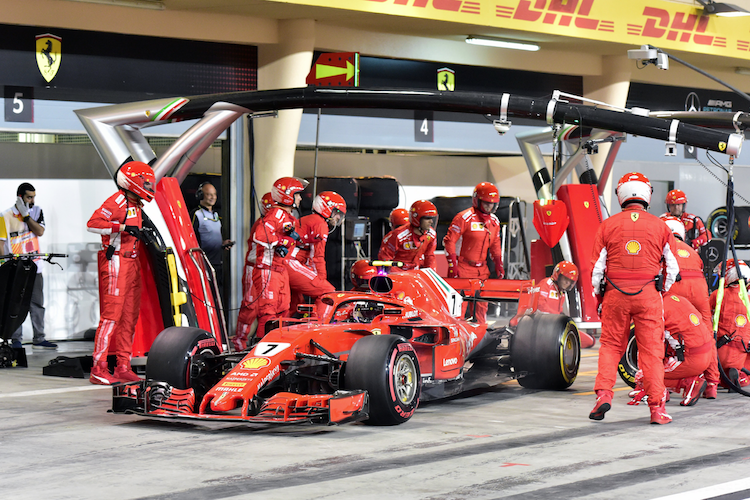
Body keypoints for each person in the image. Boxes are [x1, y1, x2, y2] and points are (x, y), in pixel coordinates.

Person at [590, 172, 680, 425]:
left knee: (610, 346)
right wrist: (659, 292)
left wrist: (600, 296)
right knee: (651, 352)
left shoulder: (607, 226)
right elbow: (672, 269)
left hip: (615, 294)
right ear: (646, 194)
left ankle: (603, 394)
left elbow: (596, 270)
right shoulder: (661, 226)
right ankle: (656, 409)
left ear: (621, 194)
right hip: (648, 294)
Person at [86, 161, 155, 385]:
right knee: (111, 317)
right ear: (132, 181)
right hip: (116, 262)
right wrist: (122, 228)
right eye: (146, 183)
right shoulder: (118, 201)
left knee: (129, 317)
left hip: (132, 263)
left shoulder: (136, 204)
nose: (149, 186)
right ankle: (99, 367)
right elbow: (93, 223)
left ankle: (123, 366)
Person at [629, 294, 717, 406]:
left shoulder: (656, 308)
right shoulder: (679, 298)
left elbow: (652, 345)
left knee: (642, 375)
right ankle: (701, 383)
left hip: (690, 359)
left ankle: (688, 383)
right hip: (707, 355)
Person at [0, 182, 57, 349]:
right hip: (15, 268)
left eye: (33, 197)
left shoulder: (37, 211)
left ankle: (39, 337)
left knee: (37, 303)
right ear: (20, 197)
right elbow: (2, 243)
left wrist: (26, 217)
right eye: (28, 197)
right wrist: (4, 264)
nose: (32, 200)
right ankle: (15, 339)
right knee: (15, 303)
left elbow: (39, 231)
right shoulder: (5, 216)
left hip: (35, 266)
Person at [251, 176, 307, 338]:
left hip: (280, 269)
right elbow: (260, 236)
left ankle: (279, 346)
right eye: (297, 194)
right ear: (288, 195)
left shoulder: (288, 216)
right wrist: (281, 242)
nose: (300, 198)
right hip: (267, 270)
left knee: (284, 310)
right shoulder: (276, 214)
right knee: (268, 312)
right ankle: (259, 349)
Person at [442, 182, 505, 322]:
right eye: (486, 203)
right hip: (463, 268)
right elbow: (449, 241)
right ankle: (456, 335)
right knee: (459, 306)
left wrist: (499, 263)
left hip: (482, 270)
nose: (490, 206)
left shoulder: (494, 222)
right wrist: (452, 265)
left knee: (481, 306)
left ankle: (480, 334)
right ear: (477, 200)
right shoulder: (464, 218)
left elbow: (495, 244)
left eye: (493, 204)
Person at [286, 191, 346, 312]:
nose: (338, 217)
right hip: (290, 261)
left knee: (294, 304)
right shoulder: (320, 224)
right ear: (326, 208)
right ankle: (319, 327)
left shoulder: (312, 219)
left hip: (287, 260)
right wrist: (321, 280)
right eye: (336, 212)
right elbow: (317, 257)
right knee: (327, 292)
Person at [233, 192, 274, 351]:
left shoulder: (275, 223)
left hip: (269, 270)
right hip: (255, 268)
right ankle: (240, 341)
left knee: (271, 308)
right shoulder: (263, 225)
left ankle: (261, 342)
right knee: (250, 306)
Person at [710, 259, 750, 388]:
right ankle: (739, 374)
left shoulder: (718, 295)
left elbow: (705, 317)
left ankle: (726, 377)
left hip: (720, 348)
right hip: (742, 350)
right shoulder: (748, 299)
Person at [191, 181, 234, 289]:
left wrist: (223, 243)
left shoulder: (216, 215)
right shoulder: (196, 214)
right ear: (200, 195)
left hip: (218, 262)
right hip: (203, 263)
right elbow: (190, 238)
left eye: (214, 194)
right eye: (209, 194)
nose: (213, 197)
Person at [378, 200, 438, 270]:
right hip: (398, 272)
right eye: (427, 218)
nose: (431, 222)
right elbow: (385, 259)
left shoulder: (432, 235)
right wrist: (396, 275)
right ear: (416, 218)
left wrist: (431, 274)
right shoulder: (398, 235)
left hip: (416, 272)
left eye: (432, 218)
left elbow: (430, 256)